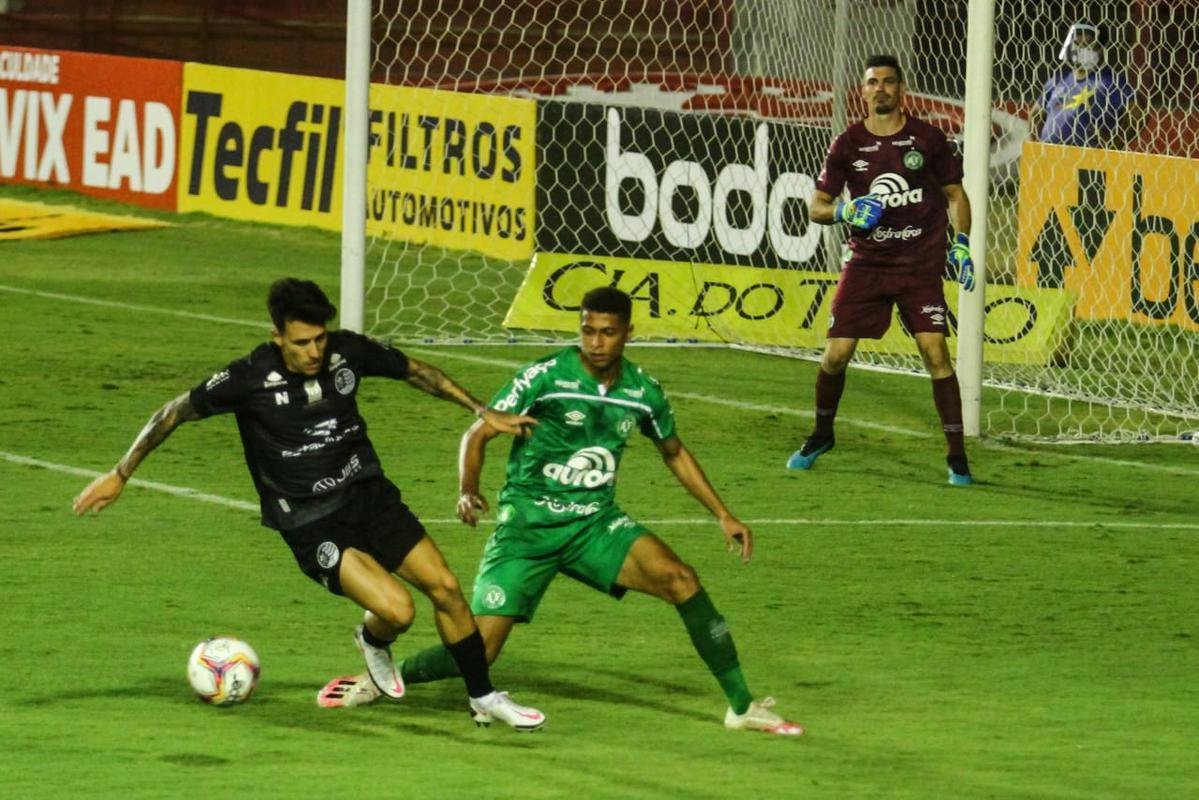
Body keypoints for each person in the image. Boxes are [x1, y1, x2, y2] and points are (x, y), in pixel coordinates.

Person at [321, 287, 803, 736]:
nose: (595, 342)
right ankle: (382, 678)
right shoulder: (546, 376)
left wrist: (723, 513)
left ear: (628, 334)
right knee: (478, 652)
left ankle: (742, 707)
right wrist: (468, 488)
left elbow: (674, 452)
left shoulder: (643, 391)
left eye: (607, 332)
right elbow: (479, 431)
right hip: (526, 531)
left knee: (682, 579)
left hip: (594, 524)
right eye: (588, 330)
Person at [72, 278, 546, 731]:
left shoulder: (346, 352)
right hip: (311, 520)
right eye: (301, 342)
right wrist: (121, 473)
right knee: (399, 612)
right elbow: (173, 411)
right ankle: (373, 638)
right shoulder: (247, 377)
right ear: (277, 337)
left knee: (445, 587)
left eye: (319, 338)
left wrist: (482, 410)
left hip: (368, 494)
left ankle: (483, 696)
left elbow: (416, 371)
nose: (315, 351)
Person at [786, 54, 975, 486]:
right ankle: (820, 435)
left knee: (936, 353)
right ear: (864, 90)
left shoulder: (928, 139)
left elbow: (955, 194)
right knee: (835, 355)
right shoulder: (847, 144)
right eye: (873, 82)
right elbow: (816, 206)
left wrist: (961, 245)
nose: (881, 89)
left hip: (918, 266)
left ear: (901, 89)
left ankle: (958, 458)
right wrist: (845, 210)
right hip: (867, 263)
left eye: (889, 82)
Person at [1028, 22, 1142, 150]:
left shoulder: (1109, 82)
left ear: (1100, 48)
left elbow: (1139, 114)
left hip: (1086, 160)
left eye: (1088, 43)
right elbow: (1035, 114)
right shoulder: (1056, 81)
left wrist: (1115, 144)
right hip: (1049, 157)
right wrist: (1035, 145)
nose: (1081, 49)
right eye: (1077, 43)